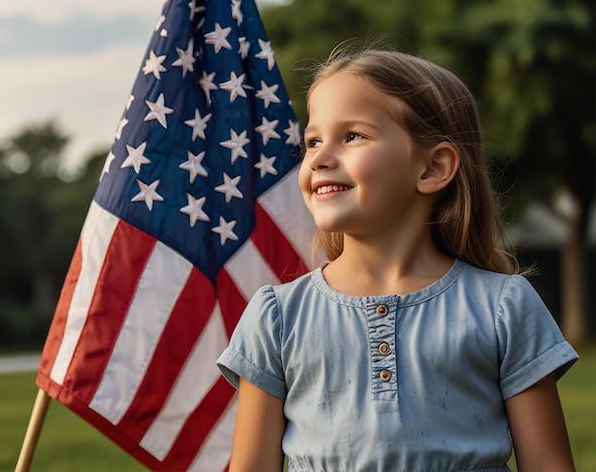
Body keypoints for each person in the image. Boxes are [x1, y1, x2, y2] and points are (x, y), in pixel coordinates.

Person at [217, 47, 578, 472]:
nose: (319, 158)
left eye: (352, 136)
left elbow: (549, 464)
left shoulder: (504, 307)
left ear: (433, 168)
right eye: (312, 141)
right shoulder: (276, 316)